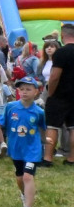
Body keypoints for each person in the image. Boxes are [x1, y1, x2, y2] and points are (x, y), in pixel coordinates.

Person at [0, 76, 46, 207]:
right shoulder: (10, 107)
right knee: (20, 178)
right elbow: (1, 121)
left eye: (28, 89)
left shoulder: (39, 112)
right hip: (16, 149)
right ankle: (24, 194)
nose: (24, 92)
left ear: (36, 92)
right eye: (22, 89)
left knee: (27, 176)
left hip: (33, 149)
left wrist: (46, 140)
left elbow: (42, 128)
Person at [43, 23, 74, 165]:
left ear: (62, 35)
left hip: (60, 94)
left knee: (52, 126)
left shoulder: (61, 52)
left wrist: (50, 93)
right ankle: (71, 158)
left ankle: (48, 158)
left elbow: (54, 76)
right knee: (73, 127)